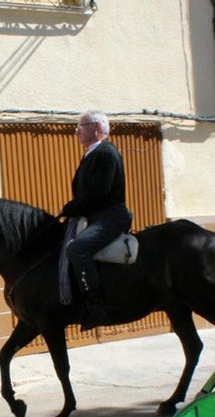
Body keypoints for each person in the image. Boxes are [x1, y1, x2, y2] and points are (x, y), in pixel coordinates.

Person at [61, 110, 133, 331]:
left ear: (98, 128)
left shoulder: (106, 153)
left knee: (77, 249)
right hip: (94, 216)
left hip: (110, 217)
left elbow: (100, 191)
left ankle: (97, 306)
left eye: (82, 126)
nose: (77, 131)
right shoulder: (91, 153)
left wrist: (72, 207)